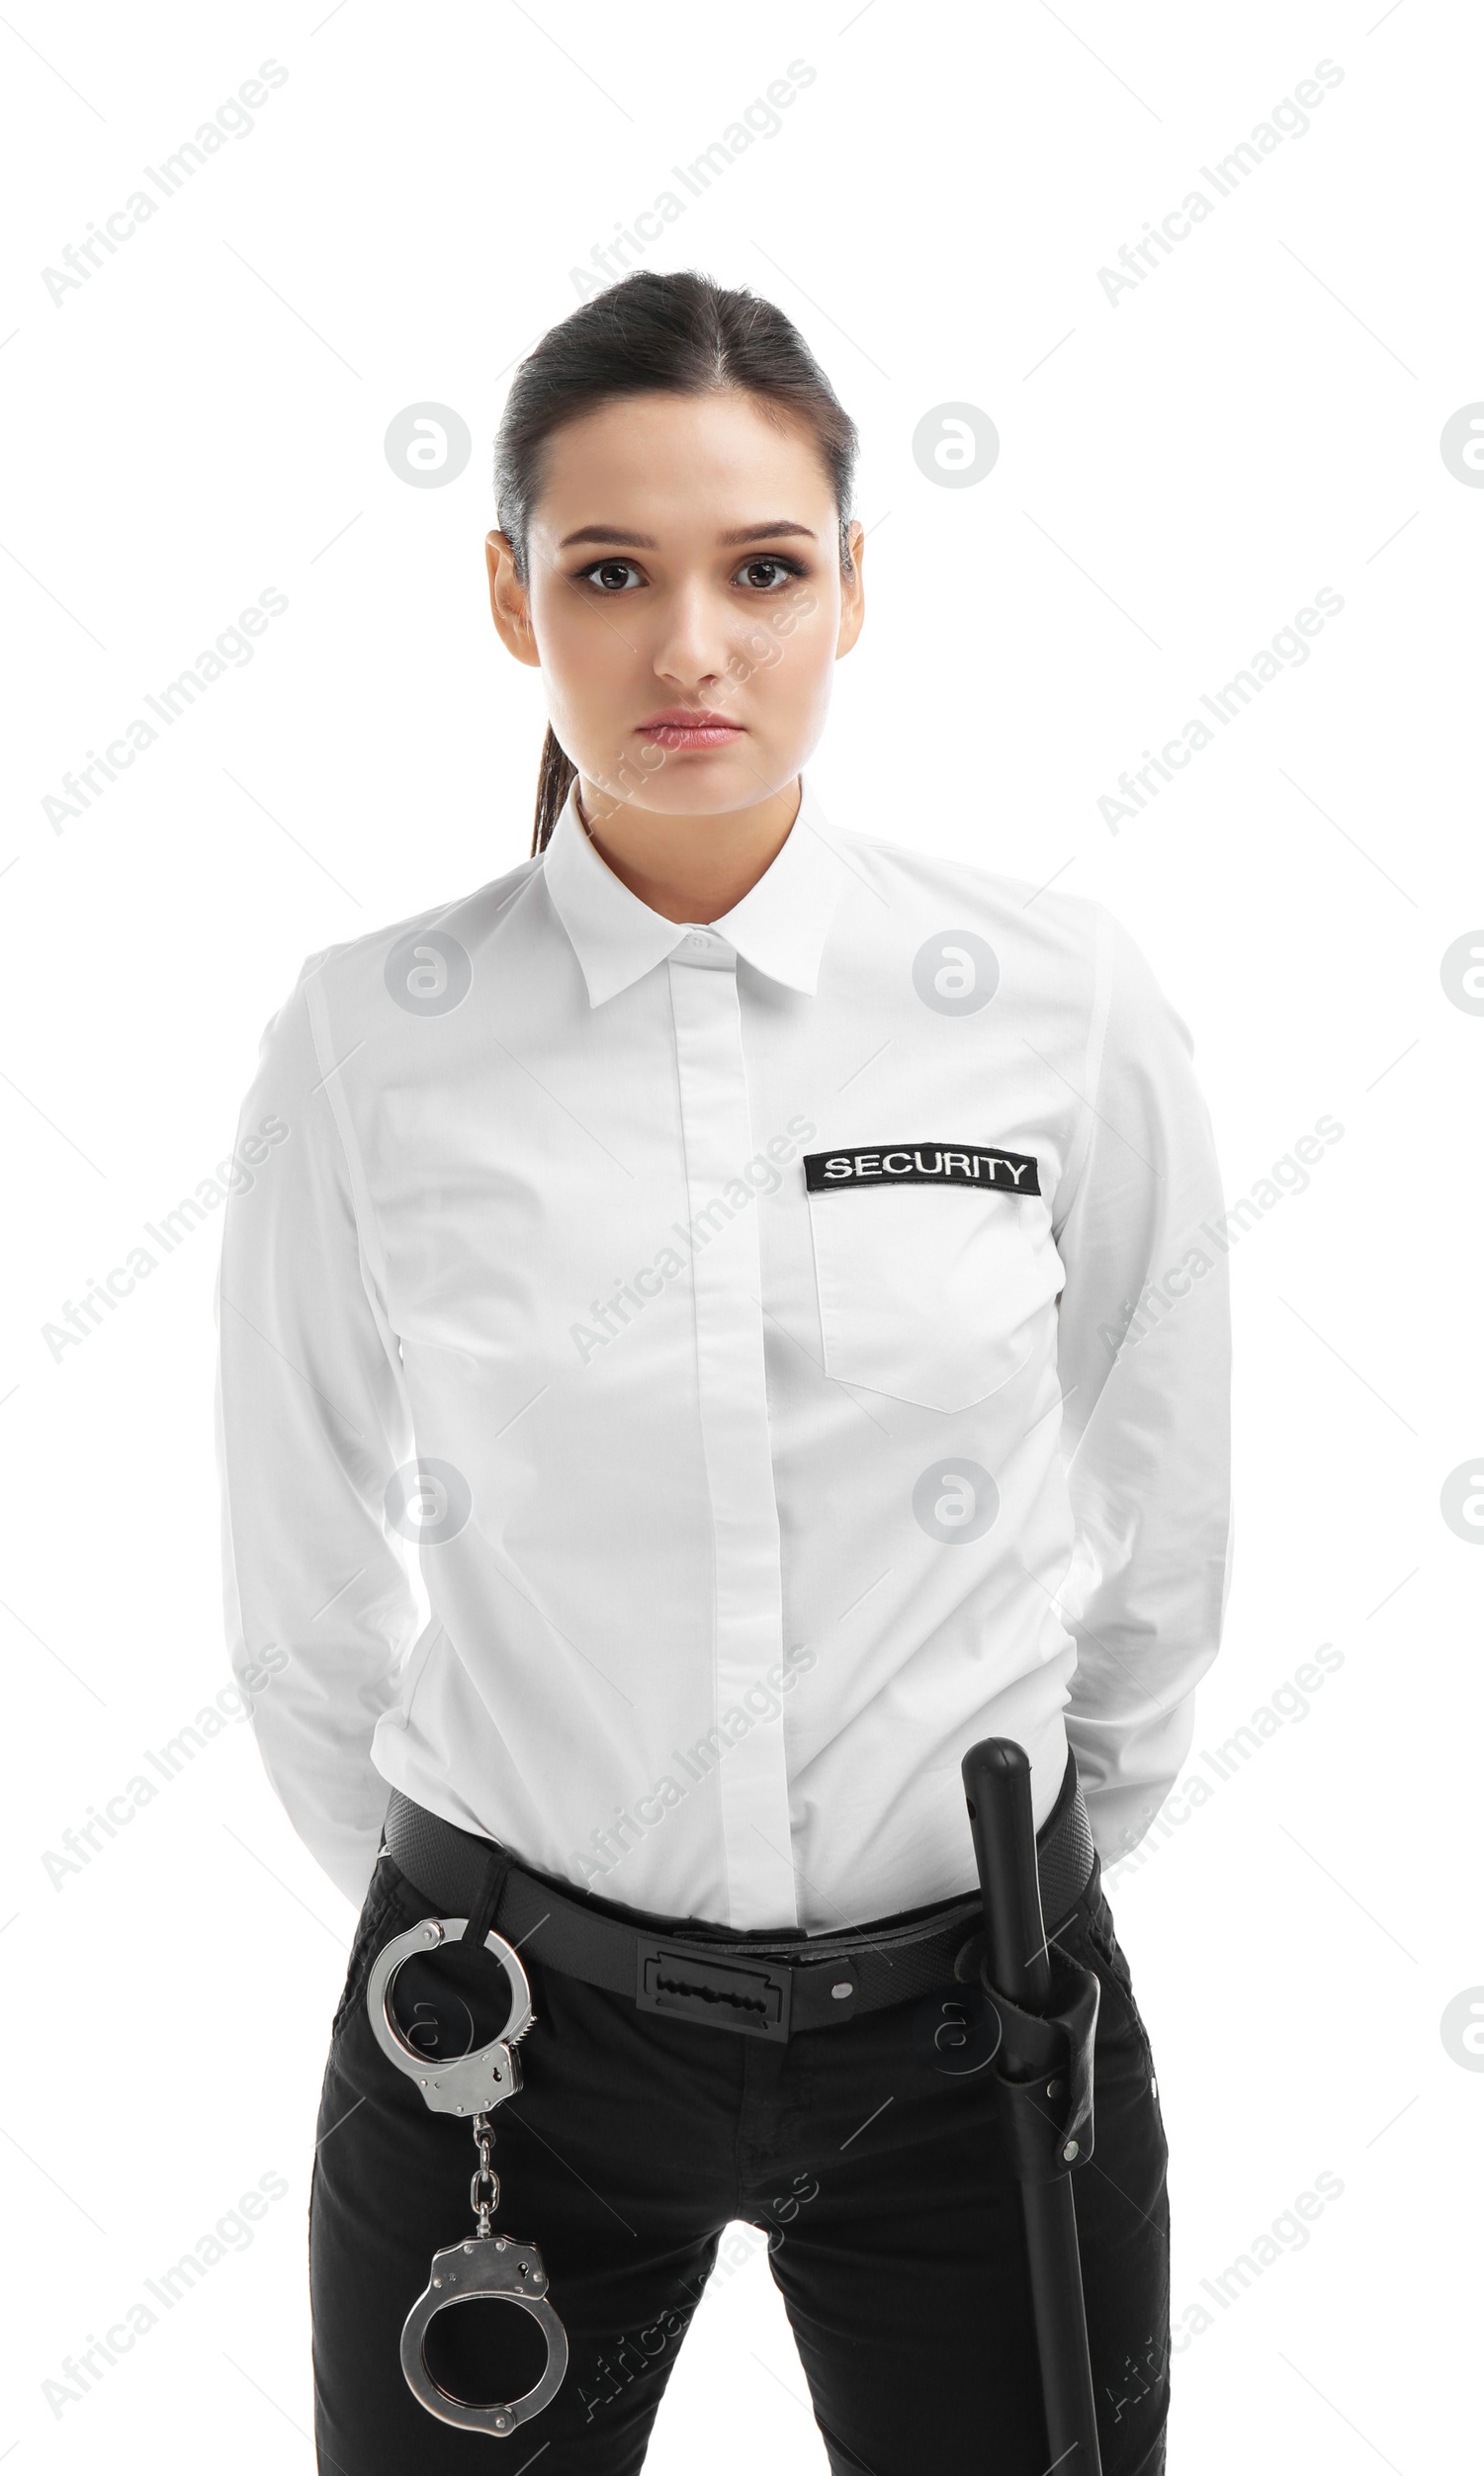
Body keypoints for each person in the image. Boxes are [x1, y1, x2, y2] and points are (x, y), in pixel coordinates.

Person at [215, 268, 1230, 2476]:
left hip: (984, 2034)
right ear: (510, 598)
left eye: (762, 569)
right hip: (498, 2042)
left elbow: (1160, 1513)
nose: (691, 648)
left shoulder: (1051, 1004)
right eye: (610, 572)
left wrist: (1031, 1886)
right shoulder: (366, 1038)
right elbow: (299, 1569)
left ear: (852, 587)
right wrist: (484, 1919)